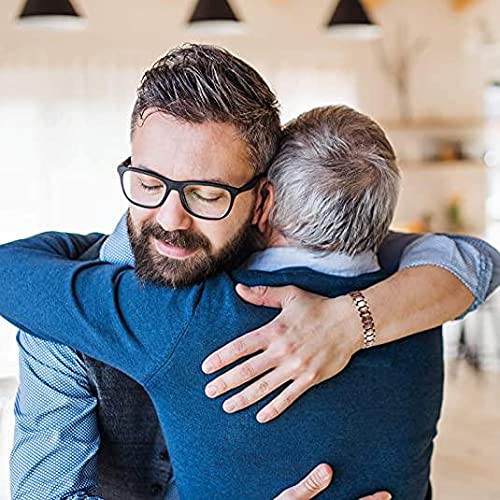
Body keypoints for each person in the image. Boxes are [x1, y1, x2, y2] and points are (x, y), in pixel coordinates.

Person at [7, 44, 499, 500]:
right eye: (148, 182)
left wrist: (350, 321)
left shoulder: (325, 278)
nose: (171, 221)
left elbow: (470, 259)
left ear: (263, 199)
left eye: (207, 194)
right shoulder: (64, 309)